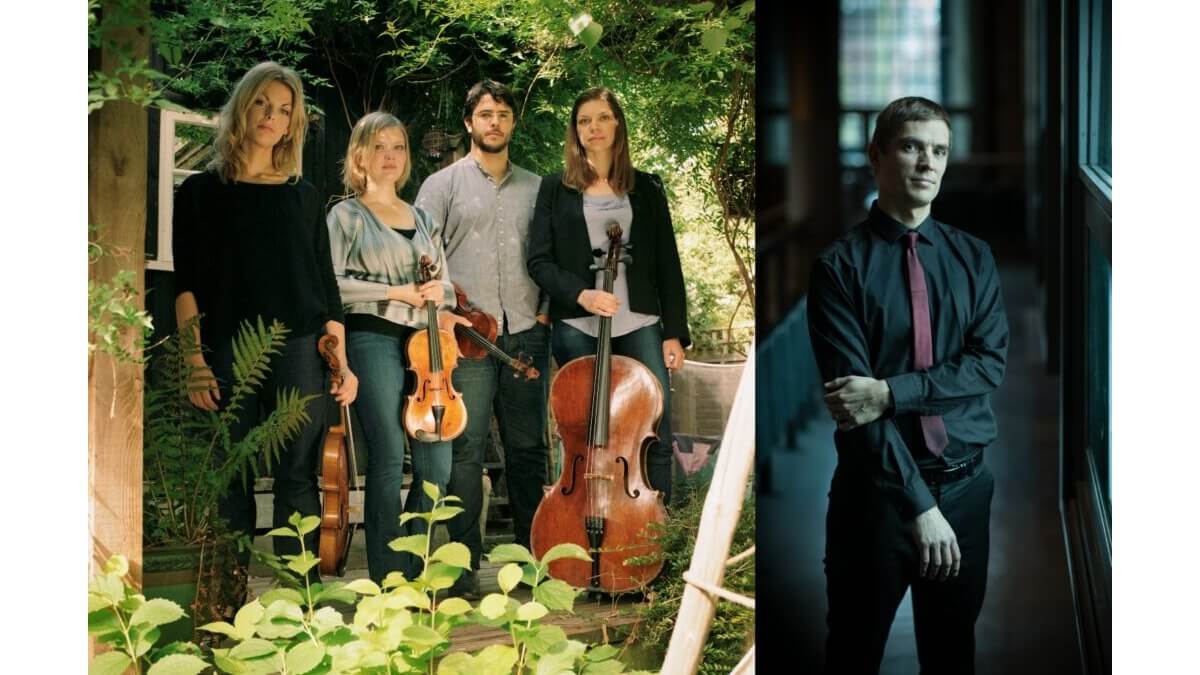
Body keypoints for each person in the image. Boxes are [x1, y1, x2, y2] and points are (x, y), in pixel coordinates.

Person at [806, 96, 1009, 675]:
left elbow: (988, 365)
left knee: (952, 657)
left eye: (939, 150)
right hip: (876, 499)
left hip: (968, 491)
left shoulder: (974, 258)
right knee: (852, 654)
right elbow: (853, 407)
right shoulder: (838, 268)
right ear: (876, 156)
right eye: (912, 146)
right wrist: (919, 507)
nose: (928, 162)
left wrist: (891, 392)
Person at [172, 61, 358, 572]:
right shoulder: (199, 193)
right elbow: (183, 284)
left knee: (298, 476)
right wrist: (193, 359)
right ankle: (225, 600)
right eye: (262, 103)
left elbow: (325, 286)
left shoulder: (303, 197)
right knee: (230, 474)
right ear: (242, 106)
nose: (271, 116)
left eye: (283, 110)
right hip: (228, 349)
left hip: (302, 349)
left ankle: (297, 602)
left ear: (292, 123)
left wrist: (342, 362)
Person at [414, 80, 550, 598]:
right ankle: (464, 571)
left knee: (528, 450)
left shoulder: (539, 188)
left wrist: (542, 316)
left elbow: (550, 260)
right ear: (470, 122)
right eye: (485, 114)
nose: (494, 122)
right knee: (466, 452)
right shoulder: (441, 185)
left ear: (513, 123)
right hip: (465, 336)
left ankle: (530, 566)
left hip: (525, 338)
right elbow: (422, 256)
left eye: (503, 114)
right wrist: (445, 315)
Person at [526, 86, 690, 506]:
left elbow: (667, 264)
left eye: (602, 118)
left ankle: (656, 536)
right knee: (585, 431)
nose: (593, 128)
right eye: (584, 121)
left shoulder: (648, 187)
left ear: (618, 123)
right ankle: (585, 532)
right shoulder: (553, 188)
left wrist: (674, 333)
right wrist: (581, 294)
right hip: (578, 324)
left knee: (654, 425)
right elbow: (540, 262)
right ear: (575, 132)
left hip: (640, 323)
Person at [326, 112, 468, 584]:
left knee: (436, 466)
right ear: (360, 155)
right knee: (388, 457)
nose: (390, 156)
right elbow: (330, 287)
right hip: (371, 337)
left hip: (427, 347)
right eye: (380, 147)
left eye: (398, 147)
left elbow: (446, 286)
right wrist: (394, 292)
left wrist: (437, 295)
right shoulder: (345, 215)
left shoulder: (423, 218)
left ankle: (411, 568)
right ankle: (389, 578)